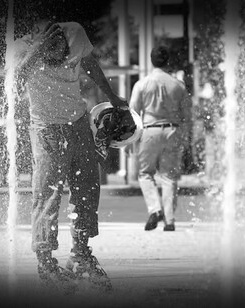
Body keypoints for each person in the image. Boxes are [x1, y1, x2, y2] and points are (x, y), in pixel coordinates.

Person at [14, 17, 129, 291]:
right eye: (52, 56)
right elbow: (16, 80)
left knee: (88, 188)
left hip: (78, 122)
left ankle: (80, 256)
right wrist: (36, 52)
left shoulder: (76, 32)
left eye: (65, 55)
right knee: (47, 194)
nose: (64, 63)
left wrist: (111, 95)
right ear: (39, 43)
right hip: (46, 129)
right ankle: (45, 264)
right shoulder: (21, 49)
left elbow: (89, 63)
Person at [128, 46, 192, 232]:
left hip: (149, 130)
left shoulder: (142, 83)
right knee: (169, 176)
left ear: (151, 60)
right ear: (168, 60)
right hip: (172, 130)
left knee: (145, 173)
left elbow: (133, 114)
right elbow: (187, 114)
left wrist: (130, 140)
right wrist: (185, 137)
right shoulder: (178, 85)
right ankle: (170, 220)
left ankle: (155, 210)